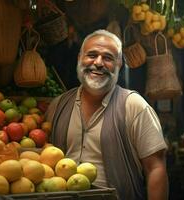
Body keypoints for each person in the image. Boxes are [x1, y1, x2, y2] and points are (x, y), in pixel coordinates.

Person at [45, 29, 168, 200]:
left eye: (108, 58)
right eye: (92, 55)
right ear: (79, 59)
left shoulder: (134, 106)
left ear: (119, 65)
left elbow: (155, 168)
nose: (98, 62)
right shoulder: (58, 105)